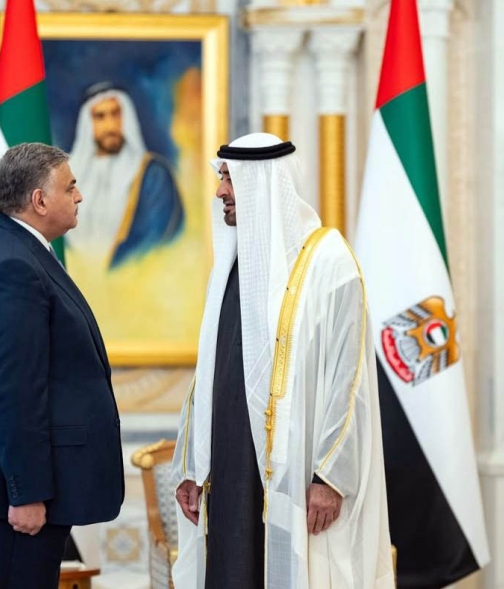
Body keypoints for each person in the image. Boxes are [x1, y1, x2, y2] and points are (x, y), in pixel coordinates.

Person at [171, 133, 394, 589]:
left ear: (264, 182)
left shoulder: (329, 264)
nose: (221, 192)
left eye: (230, 179)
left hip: (297, 476)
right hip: (229, 470)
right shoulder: (231, 266)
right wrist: (191, 466)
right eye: (221, 178)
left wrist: (330, 476)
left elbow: (349, 380)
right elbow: (208, 374)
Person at [0, 143, 124, 588]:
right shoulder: (12, 264)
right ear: (39, 200)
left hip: (5, 490)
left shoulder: (4, 243)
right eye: (70, 187)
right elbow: (14, 390)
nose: (79, 196)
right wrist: (27, 493)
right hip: (8, 499)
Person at [66, 83, 184, 269]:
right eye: (100, 117)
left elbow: (156, 239)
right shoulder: (67, 176)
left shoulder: (153, 174)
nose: (110, 126)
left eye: (116, 114)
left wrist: (113, 273)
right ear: (87, 124)